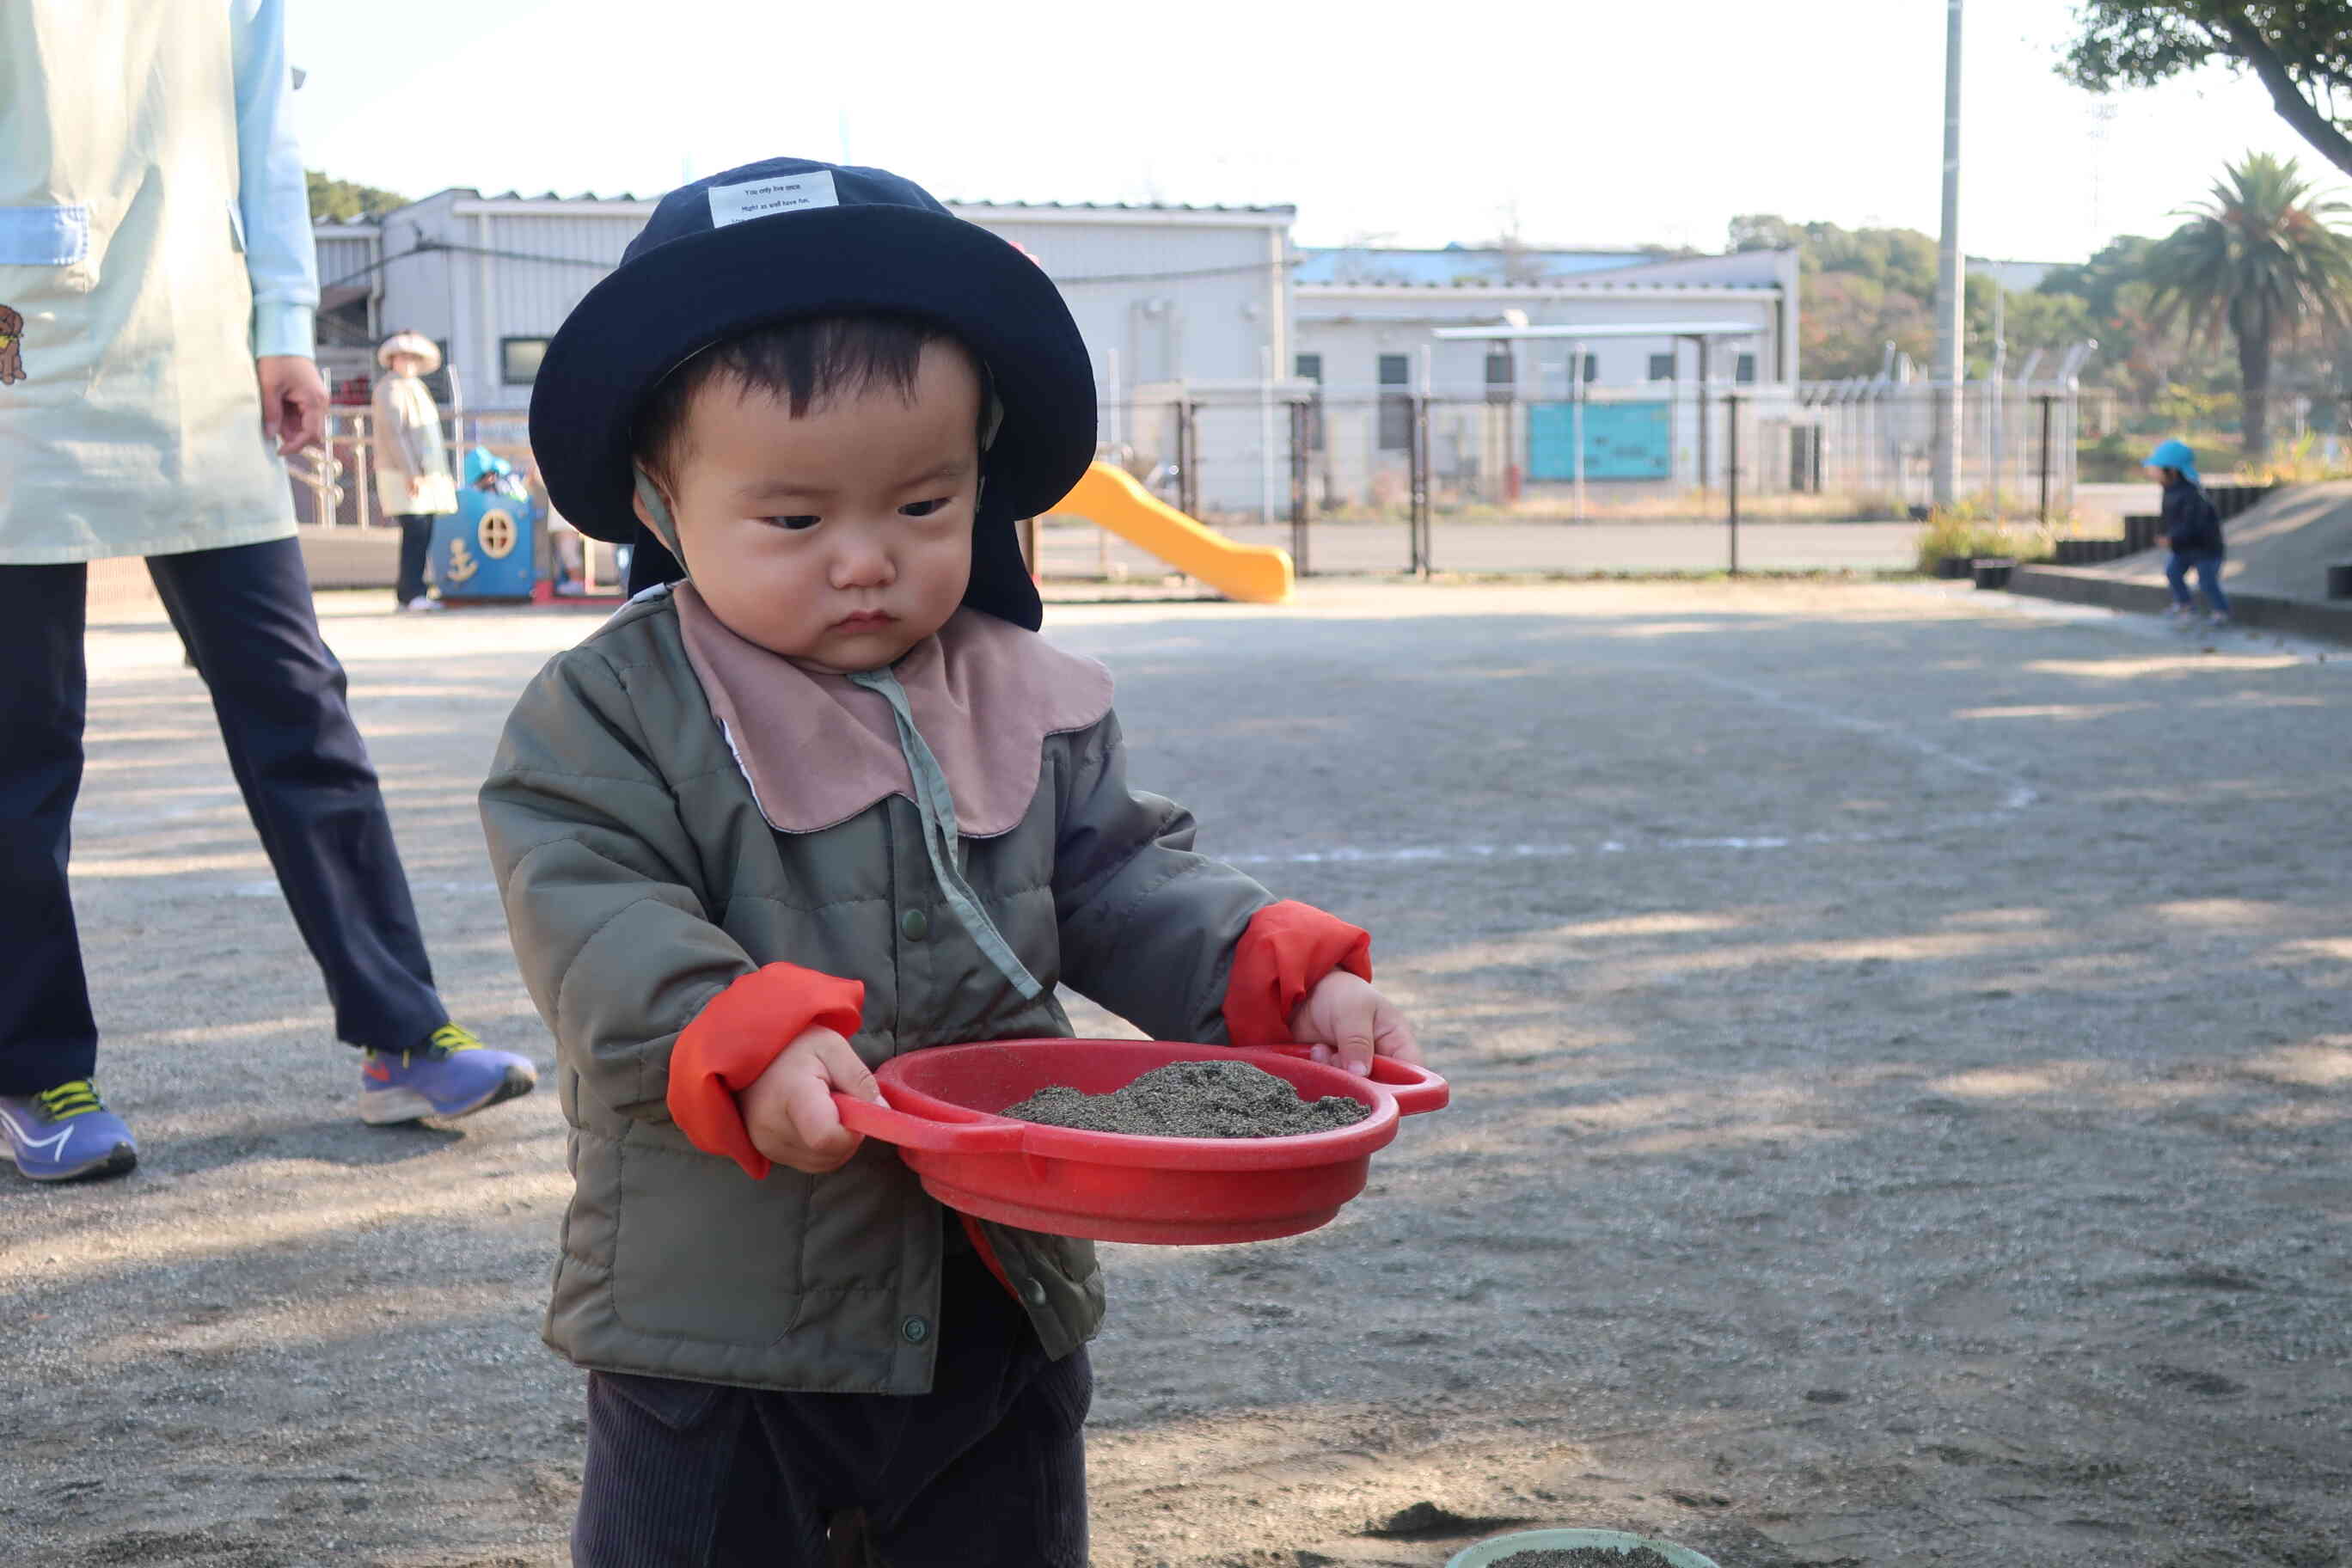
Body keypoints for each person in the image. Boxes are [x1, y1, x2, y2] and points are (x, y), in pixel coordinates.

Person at [481, 157, 1421, 1567]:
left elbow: (1119, 877)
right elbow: (594, 910)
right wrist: (736, 1030)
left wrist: (1266, 974)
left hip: (997, 1274)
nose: (867, 560)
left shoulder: (1020, 689)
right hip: (725, 1304)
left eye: (923, 505)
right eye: (794, 520)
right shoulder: (614, 708)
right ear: (662, 506)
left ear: (983, 476)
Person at [0, 0, 536, 1183]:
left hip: (194, 340)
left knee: (298, 702)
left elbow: (264, 135)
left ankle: (401, 1028)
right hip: (13, 343)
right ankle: (36, 1070)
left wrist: (285, 322)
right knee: (19, 739)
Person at [371, 329, 457, 610]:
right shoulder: (390, 389)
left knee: (423, 530)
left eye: (413, 358)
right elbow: (394, 434)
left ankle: (414, 590)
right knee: (415, 531)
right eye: (402, 357)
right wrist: (410, 471)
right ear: (392, 360)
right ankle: (410, 592)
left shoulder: (416, 387)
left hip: (424, 473)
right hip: (405, 474)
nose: (408, 362)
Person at [2147, 438, 2232, 627]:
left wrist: (2173, 538)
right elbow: (2170, 519)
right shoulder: (2169, 490)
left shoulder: (2193, 495)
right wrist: (2166, 535)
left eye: (2157, 468)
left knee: (2207, 581)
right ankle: (2185, 605)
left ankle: (2221, 611)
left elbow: (2194, 524)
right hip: (2184, 547)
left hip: (2206, 549)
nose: (2152, 473)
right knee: (2173, 571)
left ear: (2172, 470)